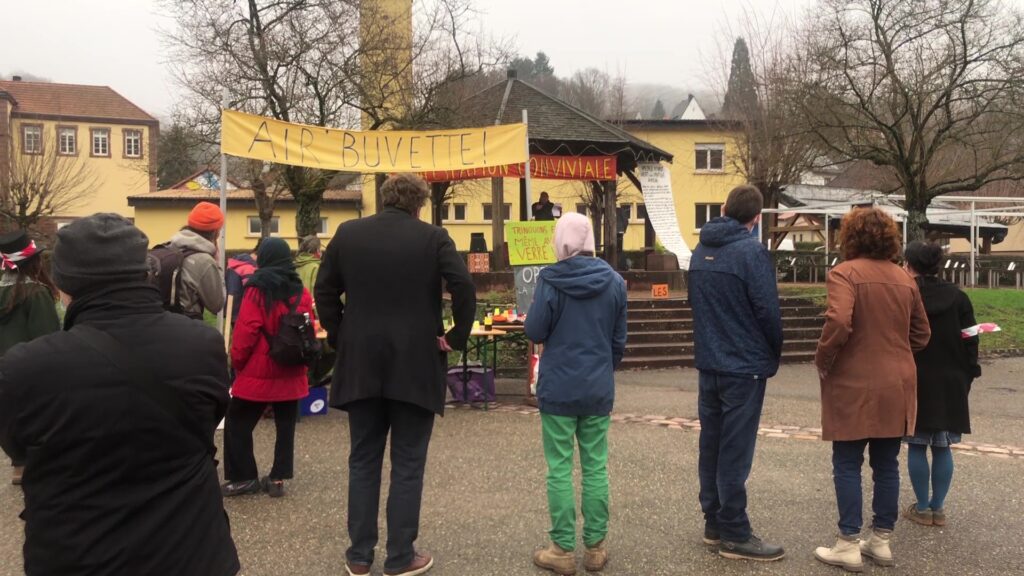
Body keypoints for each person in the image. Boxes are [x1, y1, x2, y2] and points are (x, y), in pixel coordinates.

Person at [0, 214, 239, 576]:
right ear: (146, 272)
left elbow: (19, 449)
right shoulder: (203, 345)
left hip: (77, 554)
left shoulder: (24, 368)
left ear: (63, 285)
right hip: (192, 549)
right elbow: (209, 419)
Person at [315, 173, 476, 576]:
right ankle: (401, 556)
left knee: (363, 460)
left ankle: (359, 555)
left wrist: (339, 333)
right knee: (408, 462)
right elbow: (464, 287)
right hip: (416, 363)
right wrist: (455, 335)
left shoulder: (347, 234)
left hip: (360, 362)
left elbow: (324, 290)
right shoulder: (434, 238)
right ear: (419, 204)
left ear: (384, 199)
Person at [813, 208, 930, 572]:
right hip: (897, 380)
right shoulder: (904, 278)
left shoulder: (844, 273)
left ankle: (848, 541)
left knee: (847, 462)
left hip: (853, 379)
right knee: (886, 464)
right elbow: (922, 334)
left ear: (850, 237)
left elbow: (839, 320)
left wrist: (824, 356)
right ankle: (881, 540)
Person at [525, 213, 627, 575]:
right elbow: (618, 342)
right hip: (597, 387)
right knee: (596, 466)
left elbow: (535, 329)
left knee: (559, 468)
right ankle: (596, 548)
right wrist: (602, 370)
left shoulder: (550, 280)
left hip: (559, 387)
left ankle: (562, 549)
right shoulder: (615, 282)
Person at [687, 185, 785, 561]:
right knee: (734, 450)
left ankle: (714, 519)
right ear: (756, 218)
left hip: (710, 360)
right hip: (743, 365)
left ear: (725, 209)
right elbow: (768, 312)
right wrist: (771, 353)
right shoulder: (751, 253)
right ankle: (734, 530)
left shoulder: (701, 250)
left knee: (711, 444)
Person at [221, 237, 314, 498]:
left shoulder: (257, 290)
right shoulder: (301, 291)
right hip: (292, 368)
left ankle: (244, 477)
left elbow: (245, 331)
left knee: (238, 423)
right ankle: (278, 478)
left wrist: (237, 362)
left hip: (259, 371)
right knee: (286, 427)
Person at [901, 241, 980, 528]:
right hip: (952, 379)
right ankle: (938, 508)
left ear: (910, 266)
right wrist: (970, 371)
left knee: (917, 444)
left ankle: (921, 507)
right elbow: (971, 337)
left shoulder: (907, 296)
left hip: (916, 377)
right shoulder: (959, 298)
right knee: (943, 446)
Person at [0, 230, 61, 485]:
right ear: (34, 262)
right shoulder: (36, 293)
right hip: (29, 366)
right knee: (37, 413)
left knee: (7, 413)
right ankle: (34, 462)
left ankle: (18, 461)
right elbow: (46, 334)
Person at [159, 201, 226, 318]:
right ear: (216, 232)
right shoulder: (204, 261)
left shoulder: (168, 248)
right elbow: (217, 305)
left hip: (157, 323)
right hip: (185, 328)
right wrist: (217, 264)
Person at [226, 239, 261, 325]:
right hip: (242, 312)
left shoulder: (236, 263)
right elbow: (253, 294)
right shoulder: (249, 268)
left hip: (231, 309)